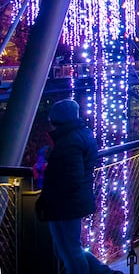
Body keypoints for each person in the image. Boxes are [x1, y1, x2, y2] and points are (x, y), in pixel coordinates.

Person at [35, 99, 122, 274]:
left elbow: (70, 177)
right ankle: (105, 273)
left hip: (65, 204)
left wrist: (46, 177)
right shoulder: (81, 135)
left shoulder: (69, 142)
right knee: (73, 247)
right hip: (74, 201)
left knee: (69, 251)